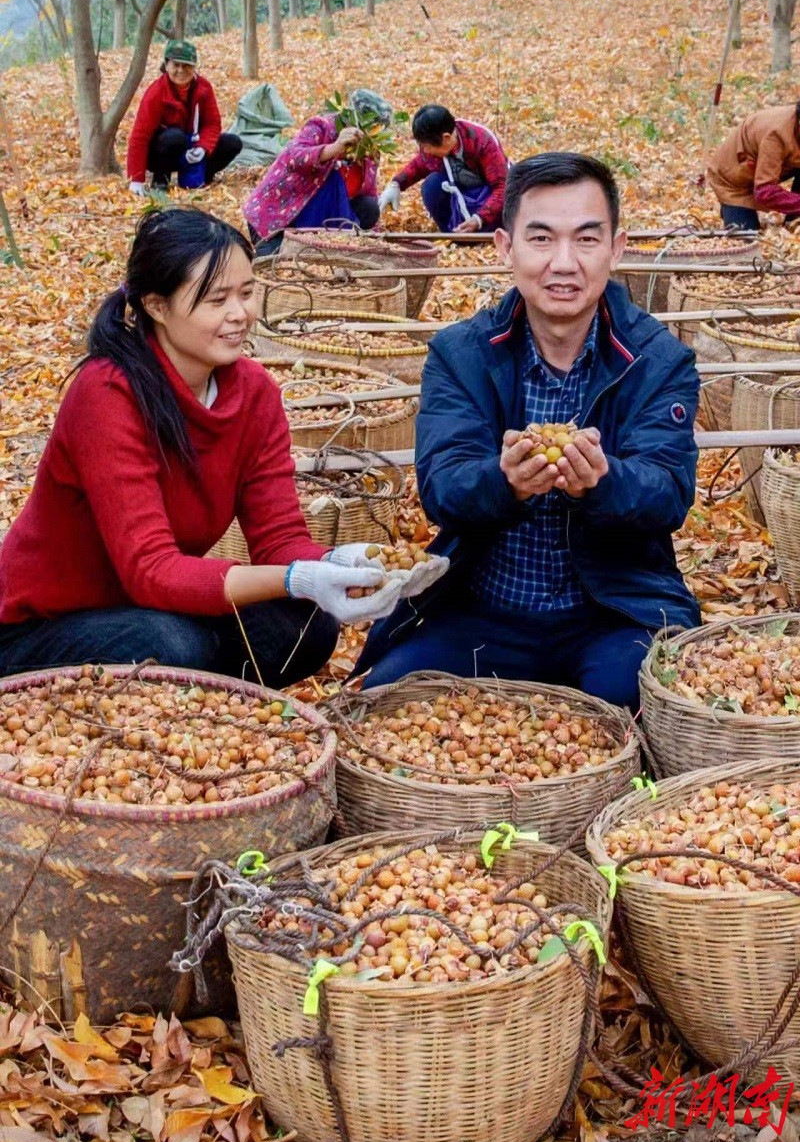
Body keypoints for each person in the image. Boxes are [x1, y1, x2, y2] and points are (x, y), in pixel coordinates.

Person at [0, 208, 415, 686]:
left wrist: (337, 564)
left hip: (154, 605)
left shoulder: (254, 393)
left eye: (246, 293)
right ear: (157, 307)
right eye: (217, 300)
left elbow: (279, 539)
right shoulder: (107, 393)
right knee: (174, 646)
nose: (239, 315)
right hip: (46, 623)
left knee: (303, 627)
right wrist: (294, 578)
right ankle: (184, 686)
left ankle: (200, 696)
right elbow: (150, 570)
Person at [357, 153, 701, 712]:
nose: (564, 263)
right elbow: (443, 488)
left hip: (613, 612)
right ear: (505, 247)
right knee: (389, 699)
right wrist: (505, 482)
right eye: (541, 239)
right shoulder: (461, 354)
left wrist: (603, 482)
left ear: (616, 249)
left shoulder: (658, 360)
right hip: (483, 606)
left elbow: (668, 493)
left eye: (586, 239)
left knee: (633, 699)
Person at [243, 89, 392, 256]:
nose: (370, 133)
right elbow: (293, 157)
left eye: (377, 129)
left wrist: (376, 239)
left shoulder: (368, 152)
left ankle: (328, 241)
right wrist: (335, 148)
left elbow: (369, 192)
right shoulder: (322, 127)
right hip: (283, 217)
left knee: (369, 207)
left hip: (328, 215)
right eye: (371, 127)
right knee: (281, 262)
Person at [126, 41, 243, 195]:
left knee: (232, 143)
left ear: (194, 67)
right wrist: (136, 178)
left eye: (186, 65)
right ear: (166, 65)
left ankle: (203, 175)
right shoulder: (156, 92)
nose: (180, 71)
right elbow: (140, 136)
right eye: (176, 65)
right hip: (162, 151)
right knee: (175, 136)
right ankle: (161, 181)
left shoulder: (204, 87)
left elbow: (212, 124)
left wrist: (203, 148)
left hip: (193, 144)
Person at [379, 104, 509, 235]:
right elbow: (419, 165)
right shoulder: (435, 145)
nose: (425, 150)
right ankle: (452, 233)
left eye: (427, 146)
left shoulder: (481, 141)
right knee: (432, 185)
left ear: (446, 138)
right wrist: (396, 184)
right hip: (461, 194)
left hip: (488, 199)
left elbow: (502, 187)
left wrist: (480, 219)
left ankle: (486, 230)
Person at [706, 102, 800, 230]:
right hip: (734, 182)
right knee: (746, 233)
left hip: (773, 165)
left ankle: (793, 219)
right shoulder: (776, 136)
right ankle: (731, 208)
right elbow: (765, 191)